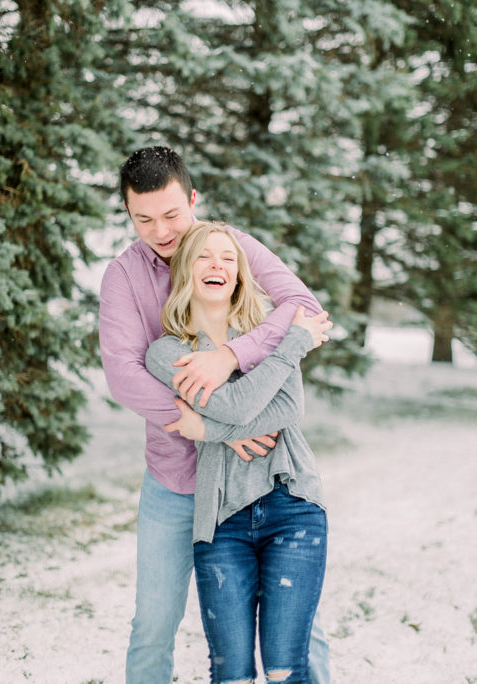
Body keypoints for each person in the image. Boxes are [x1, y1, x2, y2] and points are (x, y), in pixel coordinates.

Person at [98, 147, 332, 683]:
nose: (160, 231)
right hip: (176, 482)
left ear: (193, 200)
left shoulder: (229, 249)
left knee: (299, 636)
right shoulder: (124, 277)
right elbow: (124, 376)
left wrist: (233, 354)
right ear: (129, 214)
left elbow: (307, 310)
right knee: (153, 625)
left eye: (172, 215)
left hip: (258, 479)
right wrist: (213, 432)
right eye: (144, 219)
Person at [143, 220, 329, 683]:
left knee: (287, 668)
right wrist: (293, 348)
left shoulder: (271, 332)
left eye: (228, 258)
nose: (217, 265)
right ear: (186, 270)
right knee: (232, 676)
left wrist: (205, 428)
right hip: (220, 519)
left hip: (293, 506)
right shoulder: (168, 354)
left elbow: (290, 407)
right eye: (205, 256)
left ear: (240, 275)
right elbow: (243, 405)